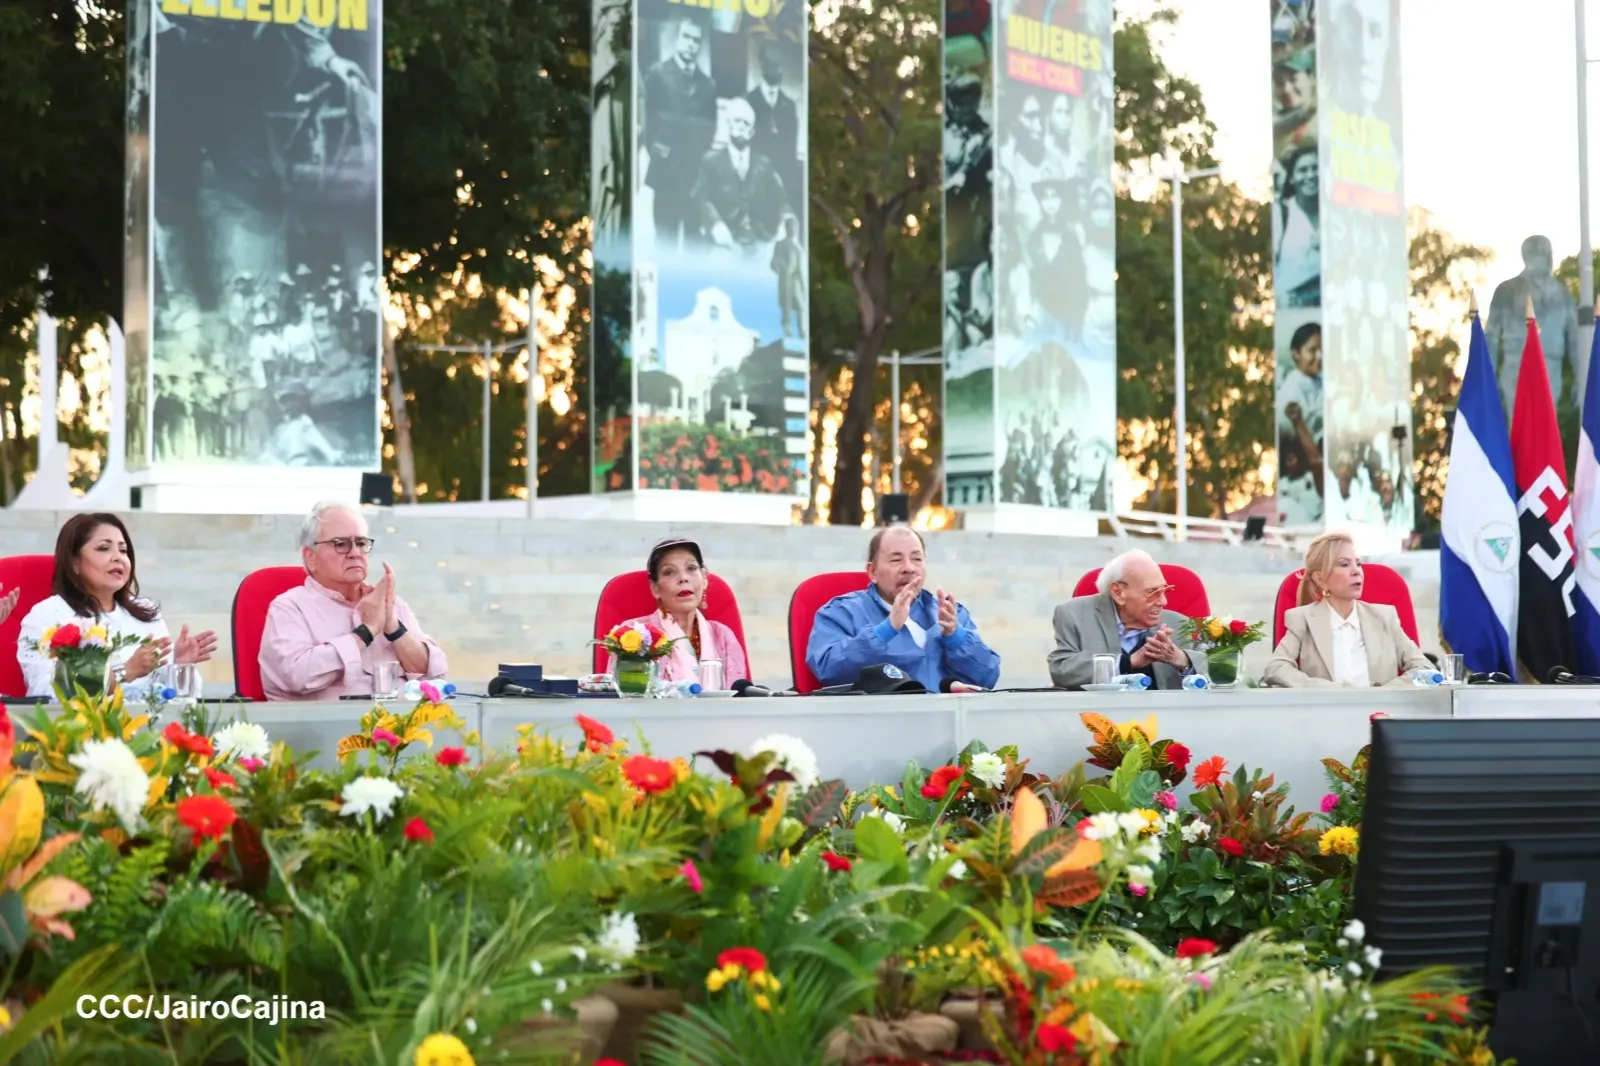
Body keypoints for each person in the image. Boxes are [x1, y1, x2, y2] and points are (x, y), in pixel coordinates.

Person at [258, 500, 447, 700]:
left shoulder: (391, 604)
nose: (355, 553)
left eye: (361, 543)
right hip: (327, 729)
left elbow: (437, 680)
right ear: (310, 557)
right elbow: (295, 675)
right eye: (341, 544)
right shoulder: (289, 607)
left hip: (402, 727)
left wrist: (392, 627)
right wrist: (366, 632)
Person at [16, 513, 217, 698]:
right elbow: (44, 693)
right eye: (104, 548)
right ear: (74, 562)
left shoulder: (145, 613)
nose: (118, 557)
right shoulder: (47, 616)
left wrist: (180, 666)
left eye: (123, 550)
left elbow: (170, 697)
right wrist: (126, 671)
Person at [806, 526, 1001, 692]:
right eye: (896, 560)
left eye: (917, 559)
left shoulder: (950, 614)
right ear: (872, 572)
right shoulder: (840, 613)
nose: (909, 568)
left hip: (947, 725)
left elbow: (988, 677)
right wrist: (886, 629)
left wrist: (956, 637)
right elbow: (827, 671)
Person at [1263, 531, 1432, 688]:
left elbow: (1426, 670)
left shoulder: (1384, 616)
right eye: (1344, 564)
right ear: (1320, 578)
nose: (1357, 571)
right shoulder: (1302, 619)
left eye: (1358, 564)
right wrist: (1326, 691)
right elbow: (1276, 669)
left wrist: (1386, 693)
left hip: (1380, 714)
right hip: (1326, 714)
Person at [1048, 549, 1203, 690]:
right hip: (1100, 716)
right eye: (1152, 592)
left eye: (1165, 591)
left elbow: (1220, 670)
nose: (1163, 602)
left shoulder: (1179, 623)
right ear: (1118, 592)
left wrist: (1183, 660)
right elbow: (1062, 670)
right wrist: (1128, 662)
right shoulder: (1073, 614)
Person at [608, 538, 749, 688]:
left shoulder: (722, 636)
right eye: (669, 572)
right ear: (655, 588)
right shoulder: (634, 634)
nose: (683, 578)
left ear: (704, 579)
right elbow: (623, 697)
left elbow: (738, 702)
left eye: (691, 568)